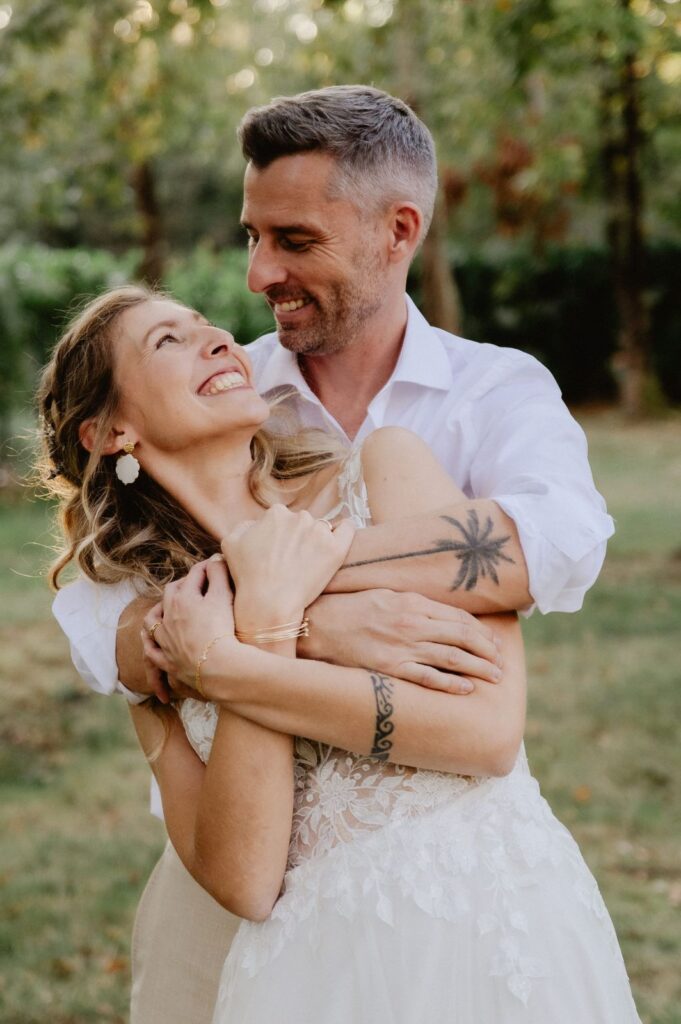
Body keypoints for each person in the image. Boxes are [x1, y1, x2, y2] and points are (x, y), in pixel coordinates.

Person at [49, 86, 615, 1022]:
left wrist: (279, 593)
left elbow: (549, 542)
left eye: (294, 240)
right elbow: (112, 631)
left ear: (398, 231)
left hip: (458, 901)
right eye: (251, 235)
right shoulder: (230, 385)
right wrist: (297, 616)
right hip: (241, 914)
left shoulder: (490, 392)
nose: (255, 276)